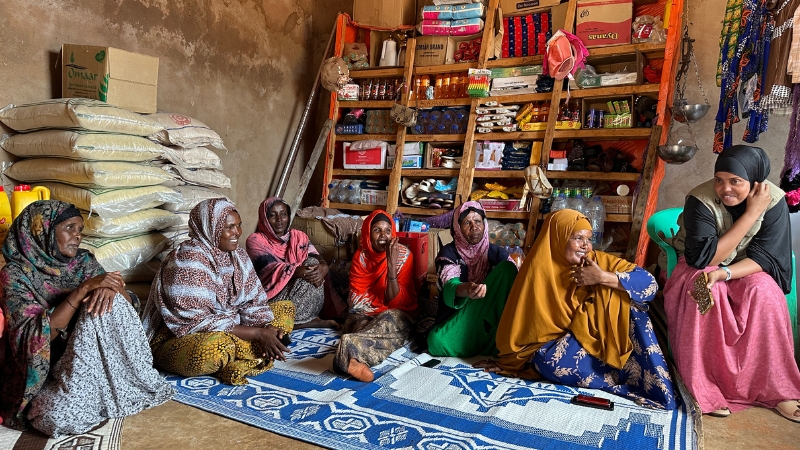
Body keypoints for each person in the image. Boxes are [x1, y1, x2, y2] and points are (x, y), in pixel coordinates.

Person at [0, 200, 173, 437]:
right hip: (53, 370)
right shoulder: (16, 275)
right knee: (54, 418)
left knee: (111, 302)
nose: (77, 236)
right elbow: (31, 340)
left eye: (80, 229)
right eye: (69, 227)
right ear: (43, 230)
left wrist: (111, 287)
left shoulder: (84, 262)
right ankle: (94, 396)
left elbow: (127, 305)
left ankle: (111, 389)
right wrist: (82, 290)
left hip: (96, 362)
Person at [475, 209, 677, 410]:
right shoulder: (536, 271)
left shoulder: (599, 262)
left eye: (588, 239)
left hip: (605, 341)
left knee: (630, 300)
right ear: (558, 238)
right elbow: (523, 327)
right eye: (578, 238)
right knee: (549, 362)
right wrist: (511, 362)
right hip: (566, 345)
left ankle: (640, 378)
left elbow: (650, 285)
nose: (585, 246)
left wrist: (602, 278)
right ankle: (615, 375)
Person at [664, 144, 800, 421]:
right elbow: (705, 259)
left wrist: (726, 274)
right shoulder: (699, 200)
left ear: (754, 181)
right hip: (697, 264)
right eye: (719, 180)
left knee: (766, 292)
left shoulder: (773, 200)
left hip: (745, 267)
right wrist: (751, 214)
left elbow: (768, 258)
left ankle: (778, 390)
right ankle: (704, 388)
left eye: (736, 181)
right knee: (704, 292)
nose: (725, 189)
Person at [142, 198, 289, 385]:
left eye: (239, 225)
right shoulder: (189, 259)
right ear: (210, 228)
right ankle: (245, 355)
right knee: (217, 348)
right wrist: (257, 334)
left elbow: (254, 301)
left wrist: (265, 327)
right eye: (229, 227)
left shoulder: (238, 255)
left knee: (285, 310)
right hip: (183, 336)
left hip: (232, 326)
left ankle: (248, 353)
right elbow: (196, 322)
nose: (237, 233)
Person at [334, 210, 417, 382]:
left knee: (392, 320)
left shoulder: (404, 256)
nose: (383, 235)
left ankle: (346, 353)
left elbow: (396, 301)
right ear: (367, 234)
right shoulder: (361, 257)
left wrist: (391, 264)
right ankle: (352, 359)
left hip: (393, 312)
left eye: (388, 230)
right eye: (377, 230)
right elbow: (356, 299)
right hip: (364, 312)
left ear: (393, 233)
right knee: (359, 323)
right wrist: (374, 310)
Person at [426, 201, 518, 357]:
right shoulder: (449, 253)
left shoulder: (496, 253)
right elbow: (449, 284)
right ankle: (490, 344)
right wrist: (467, 289)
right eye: (467, 222)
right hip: (461, 317)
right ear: (457, 227)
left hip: (490, 314)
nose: (474, 227)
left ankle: (490, 340)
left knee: (508, 269)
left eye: (478, 221)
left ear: (485, 224)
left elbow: (516, 283)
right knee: (435, 342)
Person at [246, 197, 343, 329]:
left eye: (283, 214)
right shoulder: (255, 240)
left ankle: (301, 319)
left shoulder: (298, 236)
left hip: (299, 293)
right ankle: (301, 323)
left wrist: (323, 266)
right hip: (273, 296)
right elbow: (270, 268)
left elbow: (316, 257)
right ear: (264, 218)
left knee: (313, 263)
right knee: (310, 270)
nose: (279, 219)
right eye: (272, 215)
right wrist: (297, 271)